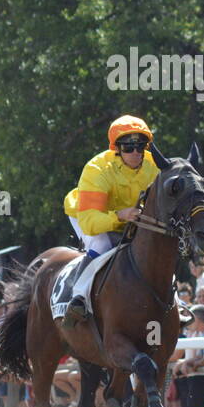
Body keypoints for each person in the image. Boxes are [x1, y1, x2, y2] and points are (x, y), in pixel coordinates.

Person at [61, 115, 160, 326]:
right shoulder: (97, 169)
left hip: (129, 218)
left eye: (140, 146)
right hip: (85, 214)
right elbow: (89, 222)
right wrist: (118, 216)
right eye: (128, 147)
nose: (135, 152)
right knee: (102, 243)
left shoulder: (154, 166)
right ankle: (77, 299)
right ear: (117, 148)